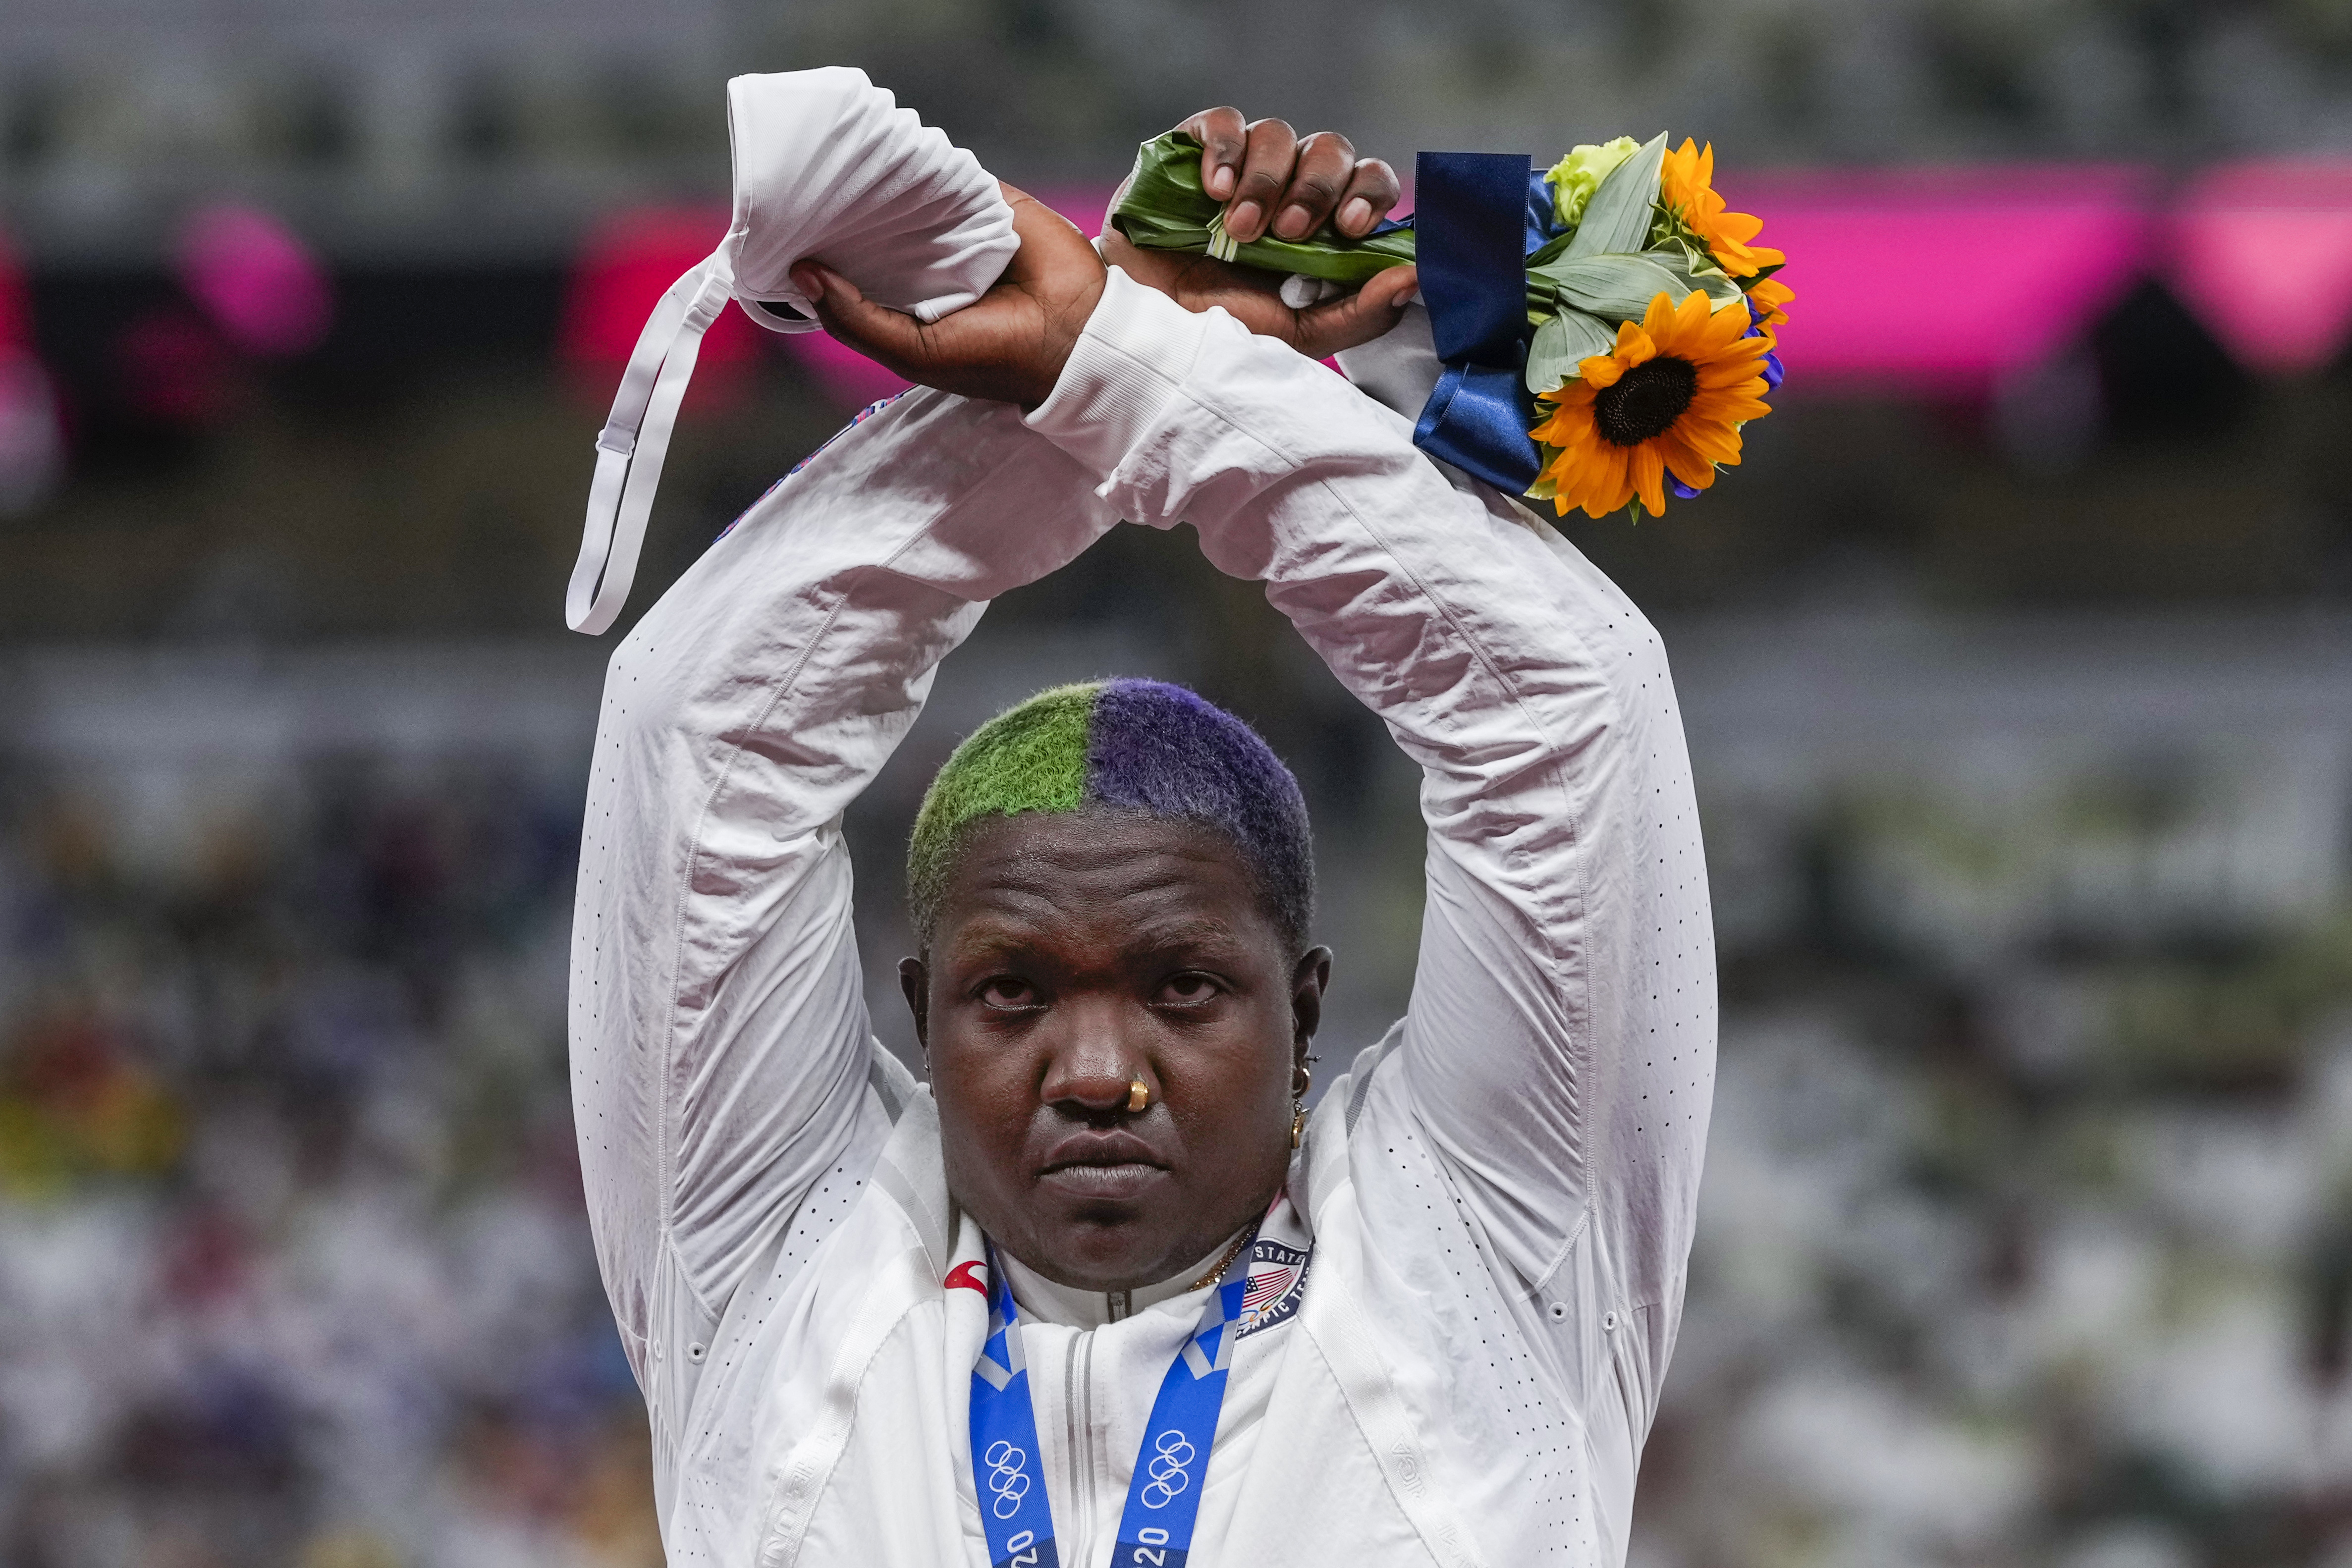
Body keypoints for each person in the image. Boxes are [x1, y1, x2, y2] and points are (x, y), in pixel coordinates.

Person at [569, 108, 1716, 1567]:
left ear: (1301, 1009)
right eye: (1012, 995)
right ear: (921, 1014)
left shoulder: (1486, 1252)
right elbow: (705, 730)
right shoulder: (775, 1253)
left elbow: (1569, 711)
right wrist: (1127, 358)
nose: (1099, 1076)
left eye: (1181, 988)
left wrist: (1119, 363)